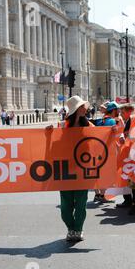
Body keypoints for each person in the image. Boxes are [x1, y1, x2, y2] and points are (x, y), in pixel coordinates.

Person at [46, 96, 95, 242]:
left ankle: (78, 230)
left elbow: (102, 138)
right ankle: (70, 228)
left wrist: (113, 132)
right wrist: (48, 131)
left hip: (82, 169)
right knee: (65, 206)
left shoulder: (89, 126)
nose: (85, 109)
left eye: (84, 107)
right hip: (65, 169)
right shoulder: (61, 126)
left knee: (81, 203)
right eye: (82, 107)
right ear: (76, 110)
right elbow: (50, 140)